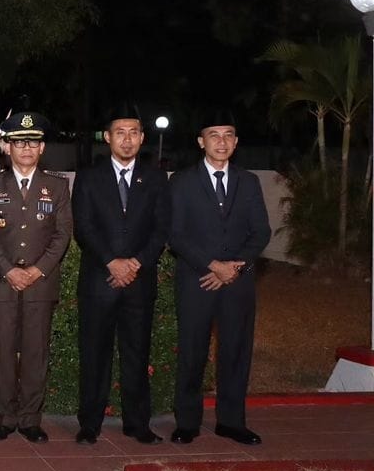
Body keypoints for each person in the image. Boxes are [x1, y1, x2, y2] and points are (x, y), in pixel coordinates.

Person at [168, 113, 270, 445]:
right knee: (192, 351)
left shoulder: (249, 181)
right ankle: (187, 422)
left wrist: (234, 268)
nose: (222, 141)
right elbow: (175, 234)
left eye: (228, 135)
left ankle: (231, 422)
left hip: (237, 283)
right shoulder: (181, 182)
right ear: (201, 141)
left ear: (236, 142)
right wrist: (212, 266)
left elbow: (261, 232)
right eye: (214, 135)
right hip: (197, 281)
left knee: (236, 352)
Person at [72, 102, 170, 446]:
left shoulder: (156, 178)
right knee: (94, 355)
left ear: (142, 138)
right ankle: (90, 424)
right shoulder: (89, 176)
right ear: (107, 137)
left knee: (136, 354)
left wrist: (135, 264)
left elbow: (160, 230)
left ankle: (137, 424)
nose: (126, 140)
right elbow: (83, 227)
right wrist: (112, 262)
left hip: (139, 284)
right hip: (99, 281)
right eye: (120, 133)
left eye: (133, 133)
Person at [0, 111, 72, 443]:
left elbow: (62, 235)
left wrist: (36, 270)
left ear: (42, 147)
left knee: (36, 352)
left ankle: (31, 418)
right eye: (20, 142)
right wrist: (9, 270)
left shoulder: (57, 186)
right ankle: (4, 417)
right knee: (3, 352)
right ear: (8, 147)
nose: (26, 149)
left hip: (41, 283)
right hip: (3, 283)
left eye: (32, 142)